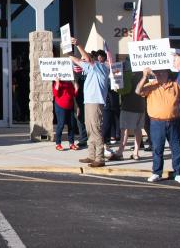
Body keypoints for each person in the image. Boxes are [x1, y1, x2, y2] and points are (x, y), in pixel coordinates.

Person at [136, 67, 180, 184]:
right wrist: (144, 76)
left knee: (176, 148)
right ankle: (157, 172)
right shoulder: (151, 85)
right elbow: (138, 91)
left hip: (173, 121)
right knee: (157, 149)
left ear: (167, 74)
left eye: (161, 72)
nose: (158, 74)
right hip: (156, 122)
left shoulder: (175, 86)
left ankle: (179, 173)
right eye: (156, 72)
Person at [68, 38, 109, 168]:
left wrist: (78, 44)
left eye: (85, 58)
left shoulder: (100, 67)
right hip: (89, 102)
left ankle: (100, 158)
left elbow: (87, 59)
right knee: (90, 129)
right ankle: (91, 155)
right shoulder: (90, 68)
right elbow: (78, 60)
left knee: (96, 129)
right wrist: (68, 52)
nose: (83, 60)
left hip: (96, 103)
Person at [112, 67, 147, 161]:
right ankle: (136, 152)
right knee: (138, 129)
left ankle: (120, 152)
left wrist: (116, 87)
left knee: (125, 129)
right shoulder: (144, 73)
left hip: (128, 105)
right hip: (141, 105)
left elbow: (124, 90)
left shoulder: (128, 73)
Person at [52, 78, 77, 150]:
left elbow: (73, 94)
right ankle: (58, 144)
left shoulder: (69, 82)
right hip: (60, 106)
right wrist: (57, 83)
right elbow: (55, 94)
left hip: (70, 105)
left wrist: (76, 88)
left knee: (72, 125)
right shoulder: (57, 81)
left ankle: (71, 143)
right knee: (61, 124)